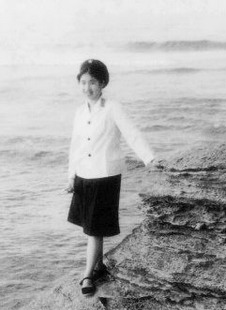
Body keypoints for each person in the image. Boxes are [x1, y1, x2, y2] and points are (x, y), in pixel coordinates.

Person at [66, 59, 162, 296]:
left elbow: (132, 134)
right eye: (83, 82)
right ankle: (98, 266)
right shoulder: (79, 112)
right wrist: (71, 177)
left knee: (94, 230)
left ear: (102, 83)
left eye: (93, 82)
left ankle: (88, 275)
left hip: (105, 175)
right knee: (91, 226)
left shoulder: (112, 108)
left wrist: (149, 159)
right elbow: (75, 147)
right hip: (84, 175)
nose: (87, 87)